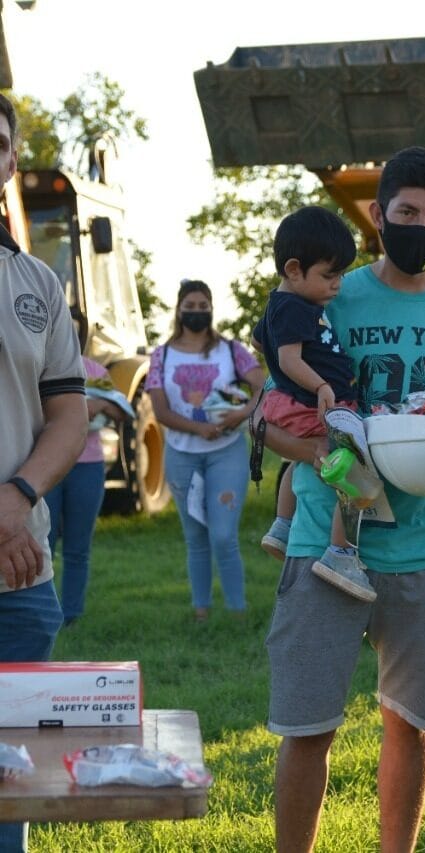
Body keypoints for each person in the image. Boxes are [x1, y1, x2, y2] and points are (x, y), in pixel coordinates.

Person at [255, 145, 425, 852]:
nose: (421, 224)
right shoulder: (328, 294)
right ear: (379, 214)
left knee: (408, 720)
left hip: (424, 547)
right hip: (325, 542)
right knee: (308, 727)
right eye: (406, 212)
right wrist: (323, 453)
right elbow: (270, 416)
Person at [0, 93, 88, 853]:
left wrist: (16, 498)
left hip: (20, 568)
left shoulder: (38, 283)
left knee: (10, 780)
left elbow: (68, 414)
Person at [253, 205, 376, 602]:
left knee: (296, 461)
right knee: (353, 470)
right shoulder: (293, 307)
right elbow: (288, 359)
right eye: (329, 275)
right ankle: (341, 554)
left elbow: (260, 339)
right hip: (314, 403)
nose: (338, 284)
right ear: (293, 269)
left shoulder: (282, 305)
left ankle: (282, 527)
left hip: (295, 401)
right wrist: (322, 386)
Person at [145, 279, 264, 621]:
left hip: (227, 451)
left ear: (211, 309)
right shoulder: (161, 356)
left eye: (203, 306)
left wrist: (241, 413)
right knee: (195, 535)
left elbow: (263, 385)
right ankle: (201, 612)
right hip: (181, 454)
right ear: (179, 309)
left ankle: (237, 612)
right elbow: (161, 411)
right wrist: (200, 428)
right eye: (190, 306)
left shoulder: (231, 350)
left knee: (224, 534)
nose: (197, 312)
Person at [44, 356, 130, 627]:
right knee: (42, 545)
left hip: (88, 466)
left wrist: (101, 403)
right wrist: (81, 407)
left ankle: (71, 616)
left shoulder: (94, 369)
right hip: (45, 464)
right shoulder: (38, 363)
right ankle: (42, 612)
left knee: (78, 548)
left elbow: (121, 412)